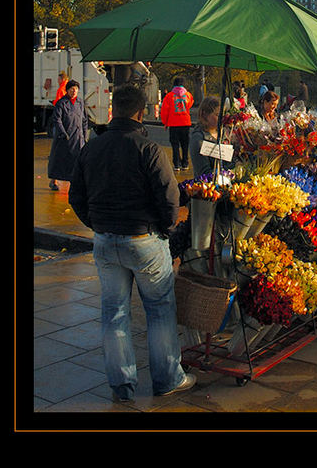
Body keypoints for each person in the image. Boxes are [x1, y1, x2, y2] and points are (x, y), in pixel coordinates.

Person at [69, 83, 195, 401]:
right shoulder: (148, 149)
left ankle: (122, 384)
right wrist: (165, 230)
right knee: (159, 309)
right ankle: (167, 378)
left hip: (105, 239)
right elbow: (170, 197)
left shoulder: (90, 148)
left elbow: (76, 197)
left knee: (114, 312)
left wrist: (96, 224)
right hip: (143, 238)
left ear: (116, 110)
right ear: (140, 113)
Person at [48, 80, 88, 191]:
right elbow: (57, 120)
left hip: (77, 137)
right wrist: (63, 133)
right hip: (64, 138)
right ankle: (53, 181)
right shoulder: (61, 103)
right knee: (59, 160)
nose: (74, 91)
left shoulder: (80, 102)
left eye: (76, 89)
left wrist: (85, 135)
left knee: (76, 160)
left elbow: (84, 120)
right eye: (71, 88)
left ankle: (74, 181)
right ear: (67, 90)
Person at [189, 96, 230, 179]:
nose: (222, 118)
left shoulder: (223, 133)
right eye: (217, 115)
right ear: (205, 114)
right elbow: (204, 173)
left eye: (223, 114)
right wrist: (228, 172)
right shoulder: (198, 139)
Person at [161, 76, 194, 170]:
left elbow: (164, 111)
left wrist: (165, 122)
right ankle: (185, 163)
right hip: (185, 123)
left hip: (173, 124)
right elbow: (190, 104)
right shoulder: (188, 95)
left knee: (175, 144)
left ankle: (176, 163)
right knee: (185, 144)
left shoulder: (169, 96)